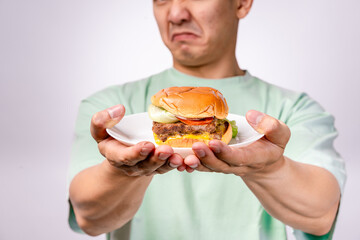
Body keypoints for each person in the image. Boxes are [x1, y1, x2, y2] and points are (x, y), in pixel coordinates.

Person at [68, 0, 346, 239]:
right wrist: (123, 170)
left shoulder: (293, 110)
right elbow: (89, 218)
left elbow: (320, 214)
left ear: (241, 3)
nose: (176, 14)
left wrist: (267, 169)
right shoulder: (112, 113)